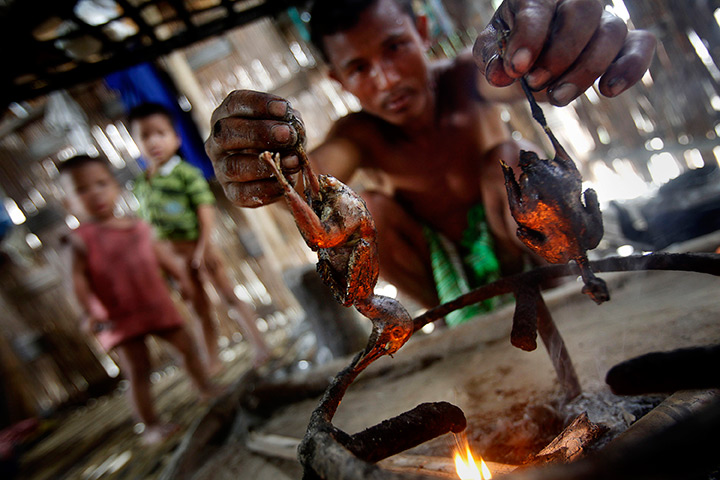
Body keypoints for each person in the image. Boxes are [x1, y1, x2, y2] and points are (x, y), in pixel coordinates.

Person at [204, 0, 656, 325]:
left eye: (396, 47)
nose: (387, 79)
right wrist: (266, 167)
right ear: (337, 78)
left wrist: (559, 54)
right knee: (368, 210)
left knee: (511, 157)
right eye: (359, 68)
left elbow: (521, 81)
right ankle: (446, 318)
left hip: (520, 248)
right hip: (443, 280)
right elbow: (308, 186)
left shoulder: (467, 79)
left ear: (422, 31)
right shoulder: (360, 134)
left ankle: (558, 280)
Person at [61, 154, 219, 445]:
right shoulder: (80, 239)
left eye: (101, 184)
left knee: (187, 347)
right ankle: (150, 425)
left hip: (156, 305)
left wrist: (182, 280)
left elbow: (164, 257)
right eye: (82, 190)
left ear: (115, 187)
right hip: (117, 316)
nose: (95, 193)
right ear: (68, 203)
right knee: (137, 370)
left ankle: (205, 388)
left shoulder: (139, 227)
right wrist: (88, 313)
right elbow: (77, 282)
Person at [129, 103, 272, 369]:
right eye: (145, 136)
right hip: (172, 257)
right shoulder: (141, 184)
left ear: (176, 138)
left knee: (228, 295)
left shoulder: (186, 173)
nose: (154, 141)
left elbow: (205, 210)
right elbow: (147, 228)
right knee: (197, 307)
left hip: (198, 246)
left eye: (160, 133)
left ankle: (260, 346)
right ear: (135, 143)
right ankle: (212, 362)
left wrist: (204, 248)